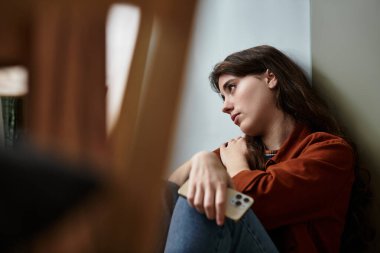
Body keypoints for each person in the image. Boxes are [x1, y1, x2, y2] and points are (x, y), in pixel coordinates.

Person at [162, 45, 373, 253]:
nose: (225, 106)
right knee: (173, 193)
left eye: (231, 87)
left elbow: (256, 204)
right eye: (223, 97)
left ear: (270, 78)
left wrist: (236, 167)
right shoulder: (238, 149)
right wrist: (204, 159)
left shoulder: (331, 153)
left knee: (202, 196)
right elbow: (168, 194)